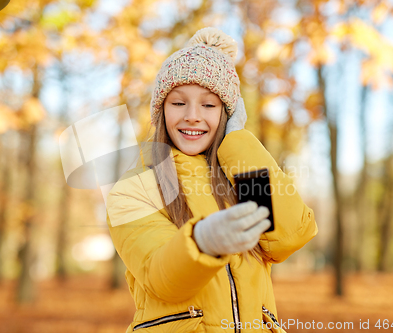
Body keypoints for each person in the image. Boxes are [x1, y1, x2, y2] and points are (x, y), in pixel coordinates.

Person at [106, 27, 318, 333]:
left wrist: (237, 142)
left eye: (209, 105)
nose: (193, 115)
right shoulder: (133, 189)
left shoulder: (242, 176)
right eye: (178, 103)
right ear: (160, 111)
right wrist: (202, 241)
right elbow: (161, 278)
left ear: (228, 114)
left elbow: (289, 237)